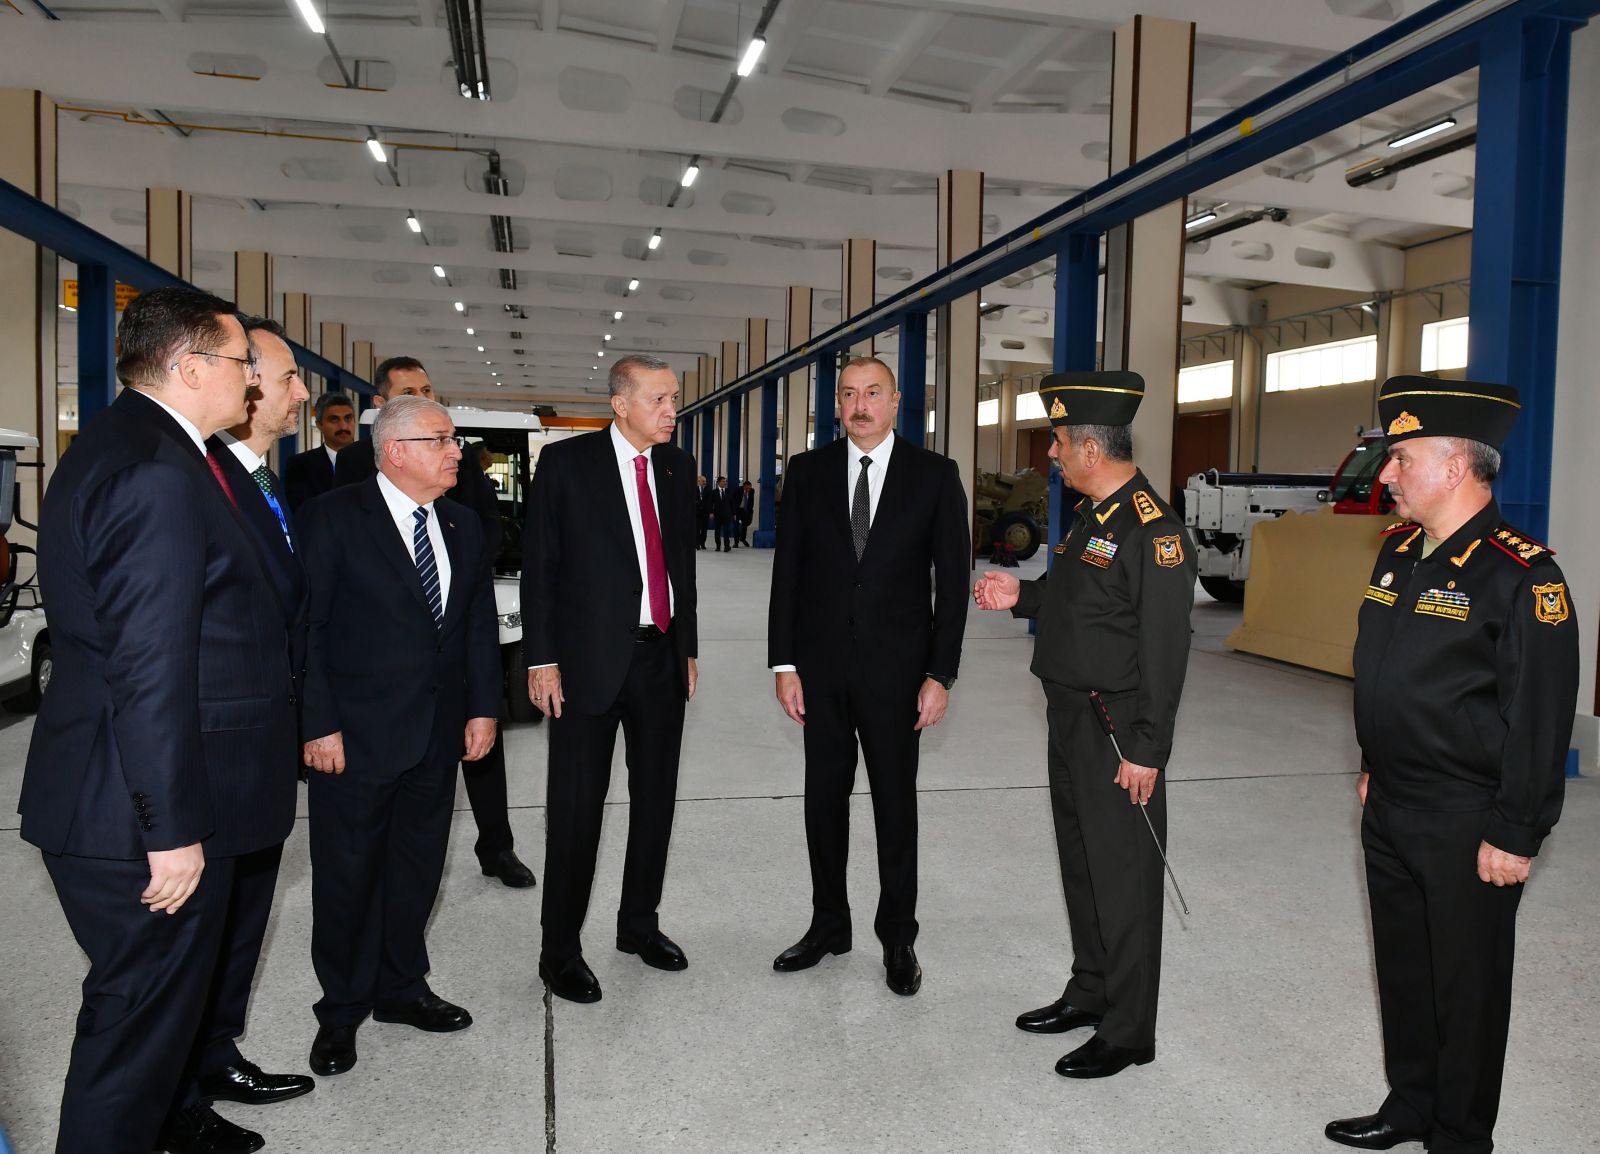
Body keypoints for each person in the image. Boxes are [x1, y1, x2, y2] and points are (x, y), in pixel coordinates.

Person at [18, 287, 299, 1154]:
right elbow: (148, 664)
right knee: (132, 1038)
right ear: (189, 366)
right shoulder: (154, 470)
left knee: (152, 1026)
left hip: (127, 788)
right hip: (131, 809)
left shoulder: (147, 447)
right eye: (242, 363)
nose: (254, 381)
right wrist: (170, 829)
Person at [1325, 377, 1579, 1154]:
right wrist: (1374, 760)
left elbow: (1540, 718)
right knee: (1404, 966)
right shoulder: (1399, 550)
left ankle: (1461, 1137)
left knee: (1465, 988)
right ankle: (1411, 1104)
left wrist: (1517, 831)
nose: (1387, 474)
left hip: (1468, 816)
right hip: (1392, 800)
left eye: (1402, 458)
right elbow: (1385, 668)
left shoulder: (1522, 574)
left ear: (1456, 467)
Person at [973, 370, 1195, 1079]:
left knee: (1123, 876)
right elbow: (1079, 602)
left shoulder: (1154, 532)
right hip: (1069, 716)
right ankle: (1092, 990)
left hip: (1117, 726)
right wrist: (1021, 595)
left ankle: (1129, 1030)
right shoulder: (1093, 516)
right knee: (1083, 864)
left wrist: (1146, 748)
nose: (1053, 453)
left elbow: (1166, 650)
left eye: (1059, 441)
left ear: (1092, 449)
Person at [298, 396, 501, 1077]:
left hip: (436, 733)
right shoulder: (332, 517)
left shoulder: (462, 524)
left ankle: (402, 988)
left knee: (416, 868)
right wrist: (318, 723)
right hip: (353, 738)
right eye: (441, 440)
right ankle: (341, 1010)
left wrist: (483, 708)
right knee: (347, 876)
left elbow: (475, 624)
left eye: (453, 439)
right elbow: (309, 629)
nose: (456, 452)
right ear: (395, 451)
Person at [767, 356, 970, 997]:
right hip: (820, 673)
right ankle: (829, 923)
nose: (860, 405)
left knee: (894, 808)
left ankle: (898, 936)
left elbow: (953, 585)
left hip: (898, 677)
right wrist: (785, 663)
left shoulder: (934, 476)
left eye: (873, 393)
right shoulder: (807, 473)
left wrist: (940, 674)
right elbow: (787, 574)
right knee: (823, 803)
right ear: (836, 404)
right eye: (849, 394)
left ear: (896, 401)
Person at [521, 353, 699, 1004]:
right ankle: (559, 950)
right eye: (659, 400)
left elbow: (680, 566)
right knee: (576, 812)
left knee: (655, 801)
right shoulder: (566, 465)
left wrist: (687, 647)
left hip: (660, 659)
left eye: (674, 398)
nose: (671, 411)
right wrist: (541, 658)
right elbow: (541, 565)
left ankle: (638, 925)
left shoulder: (676, 467)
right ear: (621, 405)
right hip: (585, 665)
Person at [335, 356, 535, 888]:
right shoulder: (355, 467)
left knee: (480, 750)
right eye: (410, 392)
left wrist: (462, 565)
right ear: (382, 407)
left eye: (427, 390)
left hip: (457, 632)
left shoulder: (458, 467)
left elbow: (485, 524)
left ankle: (497, 846)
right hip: (389, 664)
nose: (423, 397)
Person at [190, 316, 316, 1123]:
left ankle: (217, 1053)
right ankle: (184, 1087)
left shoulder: (266, 480)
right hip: (220, 749)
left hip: (265, 744)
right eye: (287, 376)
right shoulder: (204, 479)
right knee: (204, 929)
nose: (301, 392)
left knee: (243, 915)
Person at [283, 392, 355, 511]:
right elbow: (302, 510)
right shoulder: (300, 465)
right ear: (319, 425)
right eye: (334, 420)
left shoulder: (372, 459)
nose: (343, 426)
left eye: (348, 418)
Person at [711, 475, 736, 552]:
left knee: (726, 531)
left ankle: (726, 546)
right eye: (723, 481)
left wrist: (734, 514)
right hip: (717, 515)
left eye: (725, 481)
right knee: (717, 531)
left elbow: (732, 503)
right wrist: (711, 512)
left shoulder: (729, 491)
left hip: (727, 514)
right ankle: (718, 546)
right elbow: (711, 503)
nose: (725, 483)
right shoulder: (714, 492)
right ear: (718, 482)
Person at [695, 473, 711, 550]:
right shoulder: (694, 489)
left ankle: (703, 543)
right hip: (697, 512)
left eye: (705, 481)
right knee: (697, 529)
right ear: (698, 481)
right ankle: (697, 544)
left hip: (705, 512)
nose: (704, 482)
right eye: (703, 481)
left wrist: (710, 512)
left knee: (704, 529)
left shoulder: (708, 489)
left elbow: (710, 501)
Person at [737, 480, 755, 546]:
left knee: (745, 524)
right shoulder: (738, 490)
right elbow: (734, 500)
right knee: (736, 525)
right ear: (744, 486)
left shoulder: (752, 491)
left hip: (746, 510)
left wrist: (750, 510)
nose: (749, 489)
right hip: (738, 509)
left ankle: (742, 538)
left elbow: (751, 501)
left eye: (750, 487)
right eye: (748, 488)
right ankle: (736, 543)